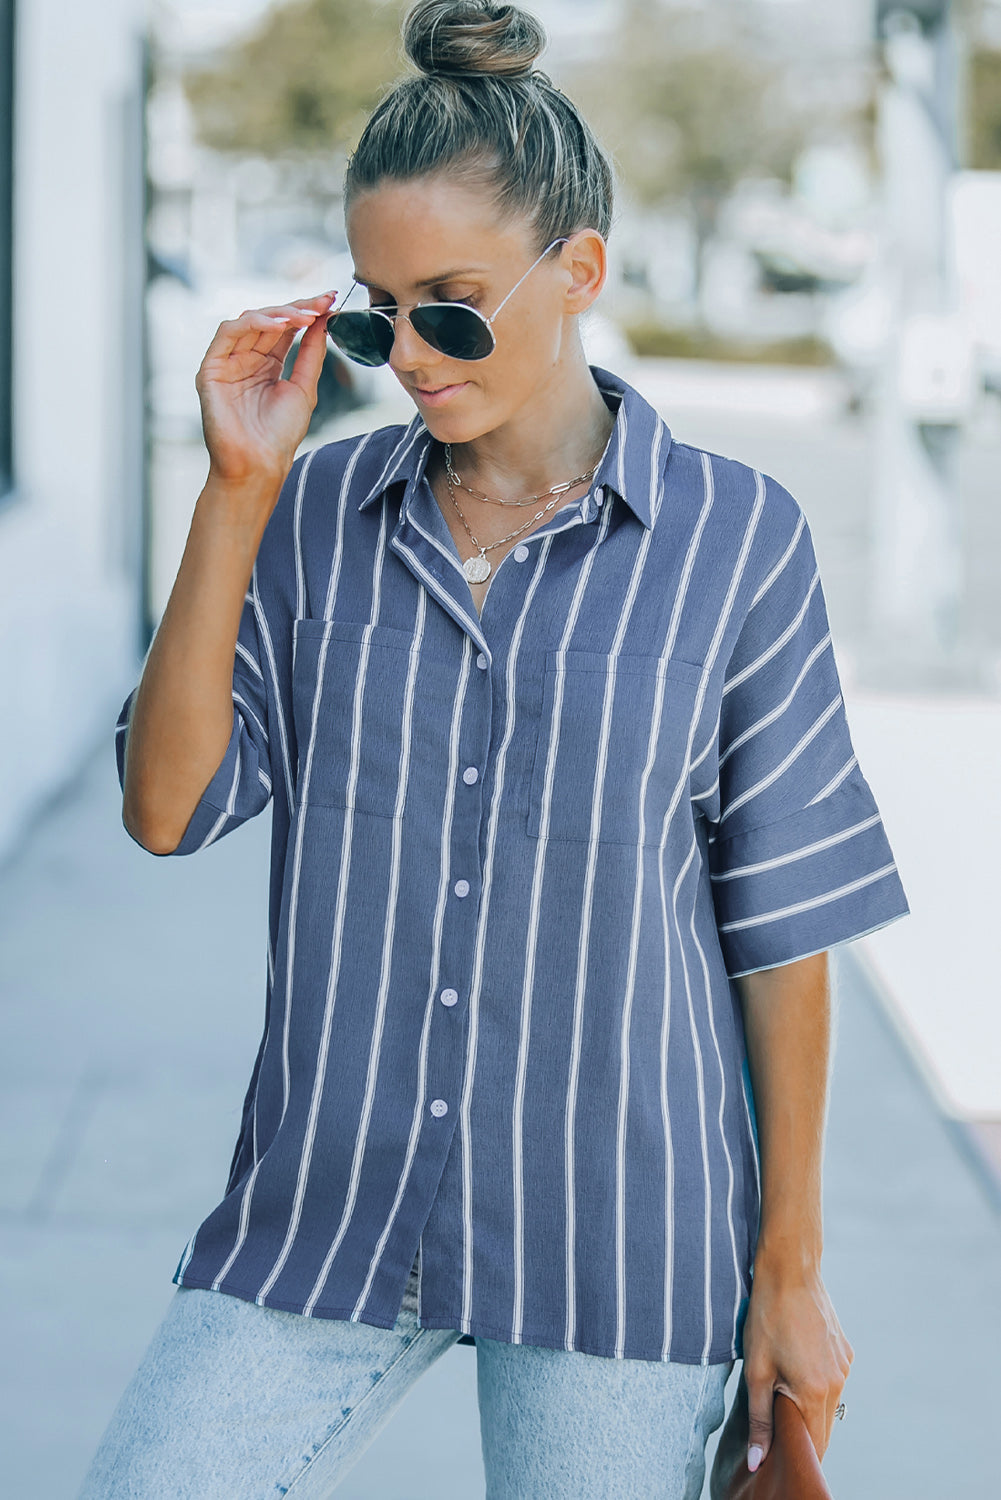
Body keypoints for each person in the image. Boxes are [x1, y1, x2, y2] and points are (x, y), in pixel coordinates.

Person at [80, 2, 910, 1496]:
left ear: (577, 270)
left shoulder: (738, 542)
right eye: (371, 311)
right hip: (322, 1213)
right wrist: (234, 489)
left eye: (449, 306)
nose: (405, 354)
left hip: (618, 1240)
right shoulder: (315, 518)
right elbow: (167, 808)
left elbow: (782, 929)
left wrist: (790, 1271)